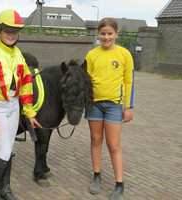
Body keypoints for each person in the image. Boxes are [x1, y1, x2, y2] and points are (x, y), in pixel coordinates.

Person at [0, 9, 42, 200]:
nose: (11, 34)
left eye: (14, 31)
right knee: (3, 151)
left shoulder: (18, 53)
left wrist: (29, 112)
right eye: (7, 31)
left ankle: (5, 189)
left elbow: (27, 84)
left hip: (14, 106)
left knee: (9, 149)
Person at [85, 18, 134, 200]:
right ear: (99, 34)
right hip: (94, 104)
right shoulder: (91, 55)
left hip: (114, 105)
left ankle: (119, 184)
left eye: (110, 33)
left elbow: (129, 81)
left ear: (116, 34)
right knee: (96, 139)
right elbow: (86, 80)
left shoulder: (124, 54)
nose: (106, 37)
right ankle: (96, 175)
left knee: (113, 145)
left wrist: (128, 106)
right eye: (103, 33)